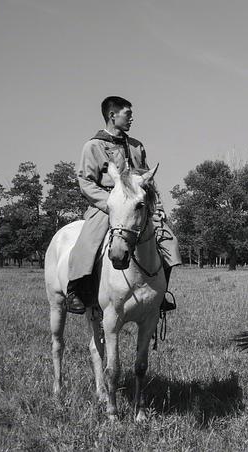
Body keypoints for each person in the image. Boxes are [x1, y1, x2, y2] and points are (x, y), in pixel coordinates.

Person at [65, 96, 181, 314]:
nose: (132, 118)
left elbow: (149, 181)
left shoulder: (137, 146)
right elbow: (85, 182)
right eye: (127, 114)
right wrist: (110, 204)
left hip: (137, 204)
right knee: (88, 242)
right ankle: (76, 291)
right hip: (106, 204)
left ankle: (160, 292)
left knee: (169, 241)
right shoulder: (93, 146)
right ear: (112, 115)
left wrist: (158, 209)